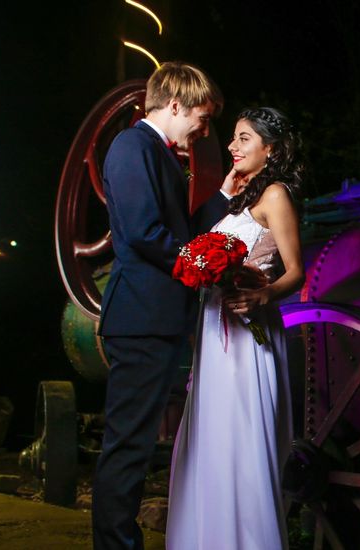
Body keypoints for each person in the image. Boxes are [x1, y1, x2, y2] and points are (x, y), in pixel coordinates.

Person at [93, 61, 229, 550]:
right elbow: (147, 234)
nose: (205, 129)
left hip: (159, 319)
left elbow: (180, 230)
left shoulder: (162, 155)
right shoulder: (132, 147)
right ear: (175, 104)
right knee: (127, 446)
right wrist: (203, 266)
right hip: (140, 319)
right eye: (202, 117)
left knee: (137, 443)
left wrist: (227, 193)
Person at [166, 107, 306, 550]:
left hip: (248, 334)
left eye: (244, 139)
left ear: (272, 149)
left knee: (241, 439)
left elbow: (295, 272)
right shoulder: (240, 197)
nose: (232, 146)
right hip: (213, 333)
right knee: (211, 436)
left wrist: (263, 295)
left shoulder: (277, 196)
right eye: (233, 138)